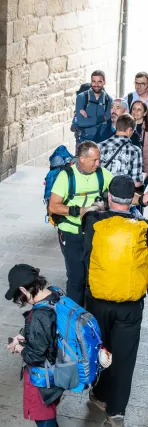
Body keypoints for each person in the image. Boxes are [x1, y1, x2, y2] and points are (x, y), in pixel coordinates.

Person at [83, 175, 148, 427]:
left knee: (102, 349)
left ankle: (99, 396)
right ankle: (116, 412)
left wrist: (99, 206)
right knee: (124, 356)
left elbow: (84, 253)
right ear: (132, 198)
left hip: (98, 301)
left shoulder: (93, 222)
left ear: (109, 196)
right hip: (130, 306)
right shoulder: (142, 227)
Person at [47, 141, 113, 306]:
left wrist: (141, 199)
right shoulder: (66, 176)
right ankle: (73, 318)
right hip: (71, 233)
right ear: (82, 159)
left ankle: (90, 319)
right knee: (76, 278)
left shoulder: (102, 174)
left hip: (93, 233)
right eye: (95, 160)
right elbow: (53, 206)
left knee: (92, 278)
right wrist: (79, 211)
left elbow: (119, 193)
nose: (98, 163)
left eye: (99, 159)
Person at [5, 264, 63, 427]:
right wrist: (23, 334)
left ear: (23, 290)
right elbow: (50, 327)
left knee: (44, 417)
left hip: (42, 378)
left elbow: (35, 356)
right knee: (49, 410)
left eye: (19, 297)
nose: (20, 301)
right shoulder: (55, 293)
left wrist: (18, 348)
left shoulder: (38, 316)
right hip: (58, 368)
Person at [98, 113, 143, 183]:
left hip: (103, 191)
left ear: (117, 126)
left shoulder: (99, 146)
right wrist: (144, 177)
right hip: (123, 192)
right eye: (133, 131)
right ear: (129, 130)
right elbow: (136, 183)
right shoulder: (136, 151)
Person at [74, 70, 113, 143]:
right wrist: (101, 119)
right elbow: (81, 122)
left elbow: (108, 119)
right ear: (91, 82)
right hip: (84, 140)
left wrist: (88, 118)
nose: (96, 84)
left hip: (102, 141)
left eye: (99, 82)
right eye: (94, 81)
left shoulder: (108, 100)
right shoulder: (81, 97)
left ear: (104, 82)